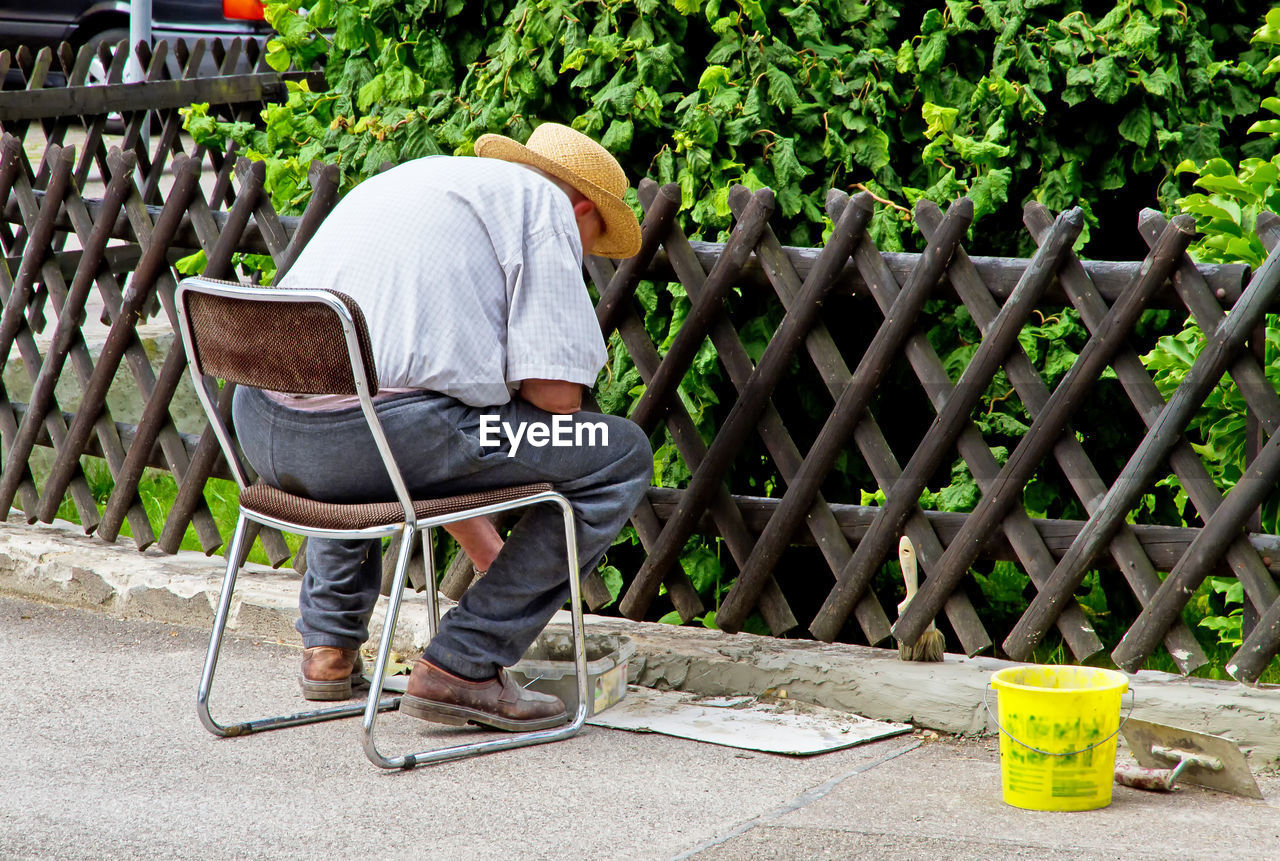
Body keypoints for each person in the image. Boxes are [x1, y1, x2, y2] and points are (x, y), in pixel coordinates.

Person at [231, 123, 653, 731]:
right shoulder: (546, 210)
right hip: (372, 442)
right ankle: (464, 664)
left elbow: (428, 418)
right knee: (617, 452)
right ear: (582, 208)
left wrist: (488, 552)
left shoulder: (418, 181)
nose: (585, 254)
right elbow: (557, 403)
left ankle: (328, 649)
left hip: (266, 428)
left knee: (353, 394)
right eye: (593, 241)